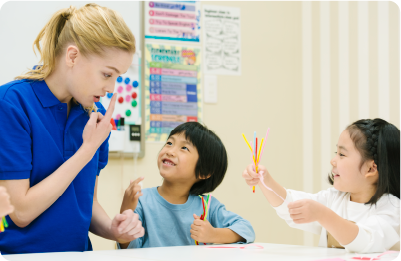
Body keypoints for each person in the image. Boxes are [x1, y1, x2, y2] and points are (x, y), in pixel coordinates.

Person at [0, 4, 144, 254]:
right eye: (107, 74)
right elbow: (20, 211)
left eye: (117, 77)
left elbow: (87, 204)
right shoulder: (12, 104)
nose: (111, 87)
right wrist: (87, 150)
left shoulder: (93, 117)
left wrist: (113, 229)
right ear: (73, 56)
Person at [242, 118, 401, 253]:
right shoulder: (334, 199)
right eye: (336, 153)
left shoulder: (392, 208)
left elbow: (365, 240)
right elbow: (289, 205)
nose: (333, 160)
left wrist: (323, 215)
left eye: (342, 154)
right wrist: (265, 180)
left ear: (371, 168)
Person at [120, 122, 255, 248]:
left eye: (184, 148)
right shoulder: (142, 200)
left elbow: (247, 230)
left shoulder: (208, 206)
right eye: (169, 143)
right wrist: (126, 211)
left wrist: (213, 234)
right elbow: (128, 248)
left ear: (204, 171)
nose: (170, 151)